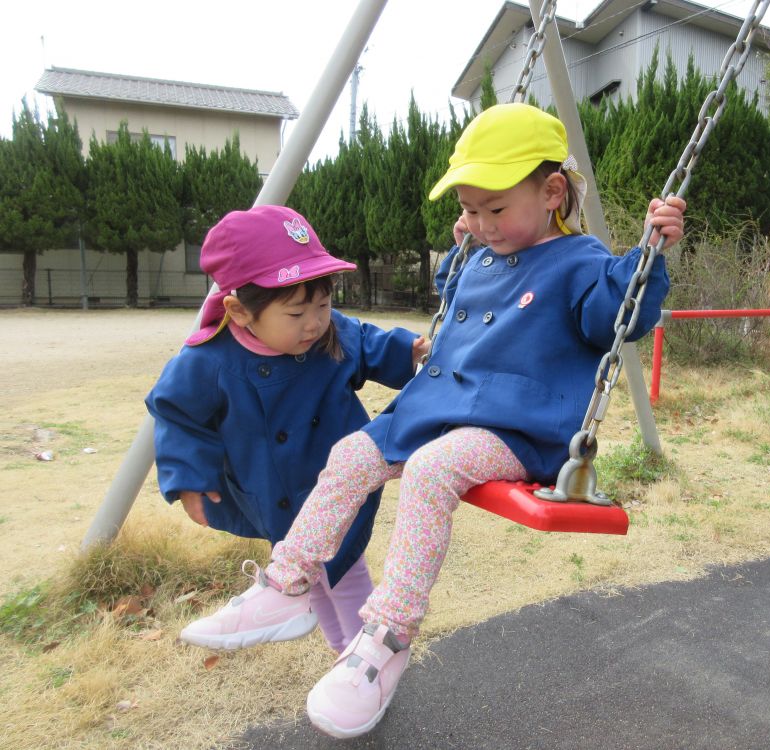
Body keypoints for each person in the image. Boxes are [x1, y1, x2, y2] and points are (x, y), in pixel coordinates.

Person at [179, 103, 686, 739]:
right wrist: (458, 257)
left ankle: (386, 638)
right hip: (440, 406)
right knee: (350, 456)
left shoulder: (581, 260)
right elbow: (460, 309)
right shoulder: (479, 255)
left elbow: (618, 317)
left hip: (513, 427)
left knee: (430, 468)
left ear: (552, 190)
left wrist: (648, 254)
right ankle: (286, 585)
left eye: (494, 209)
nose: (479, 223)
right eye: (471, 210)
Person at [146, 204, 427, 653]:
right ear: (239, 311)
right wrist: (189, 481)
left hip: (338, 489)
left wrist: (407, 351)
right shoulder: (211, 360)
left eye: (323, 303)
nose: (315, 322)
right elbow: (177, 413)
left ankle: (360, 664)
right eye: (296, 314)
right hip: (272, 488)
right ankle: (345, 657)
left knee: (343, 573)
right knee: (307, 577)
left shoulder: (330, 334)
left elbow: (369, 343)